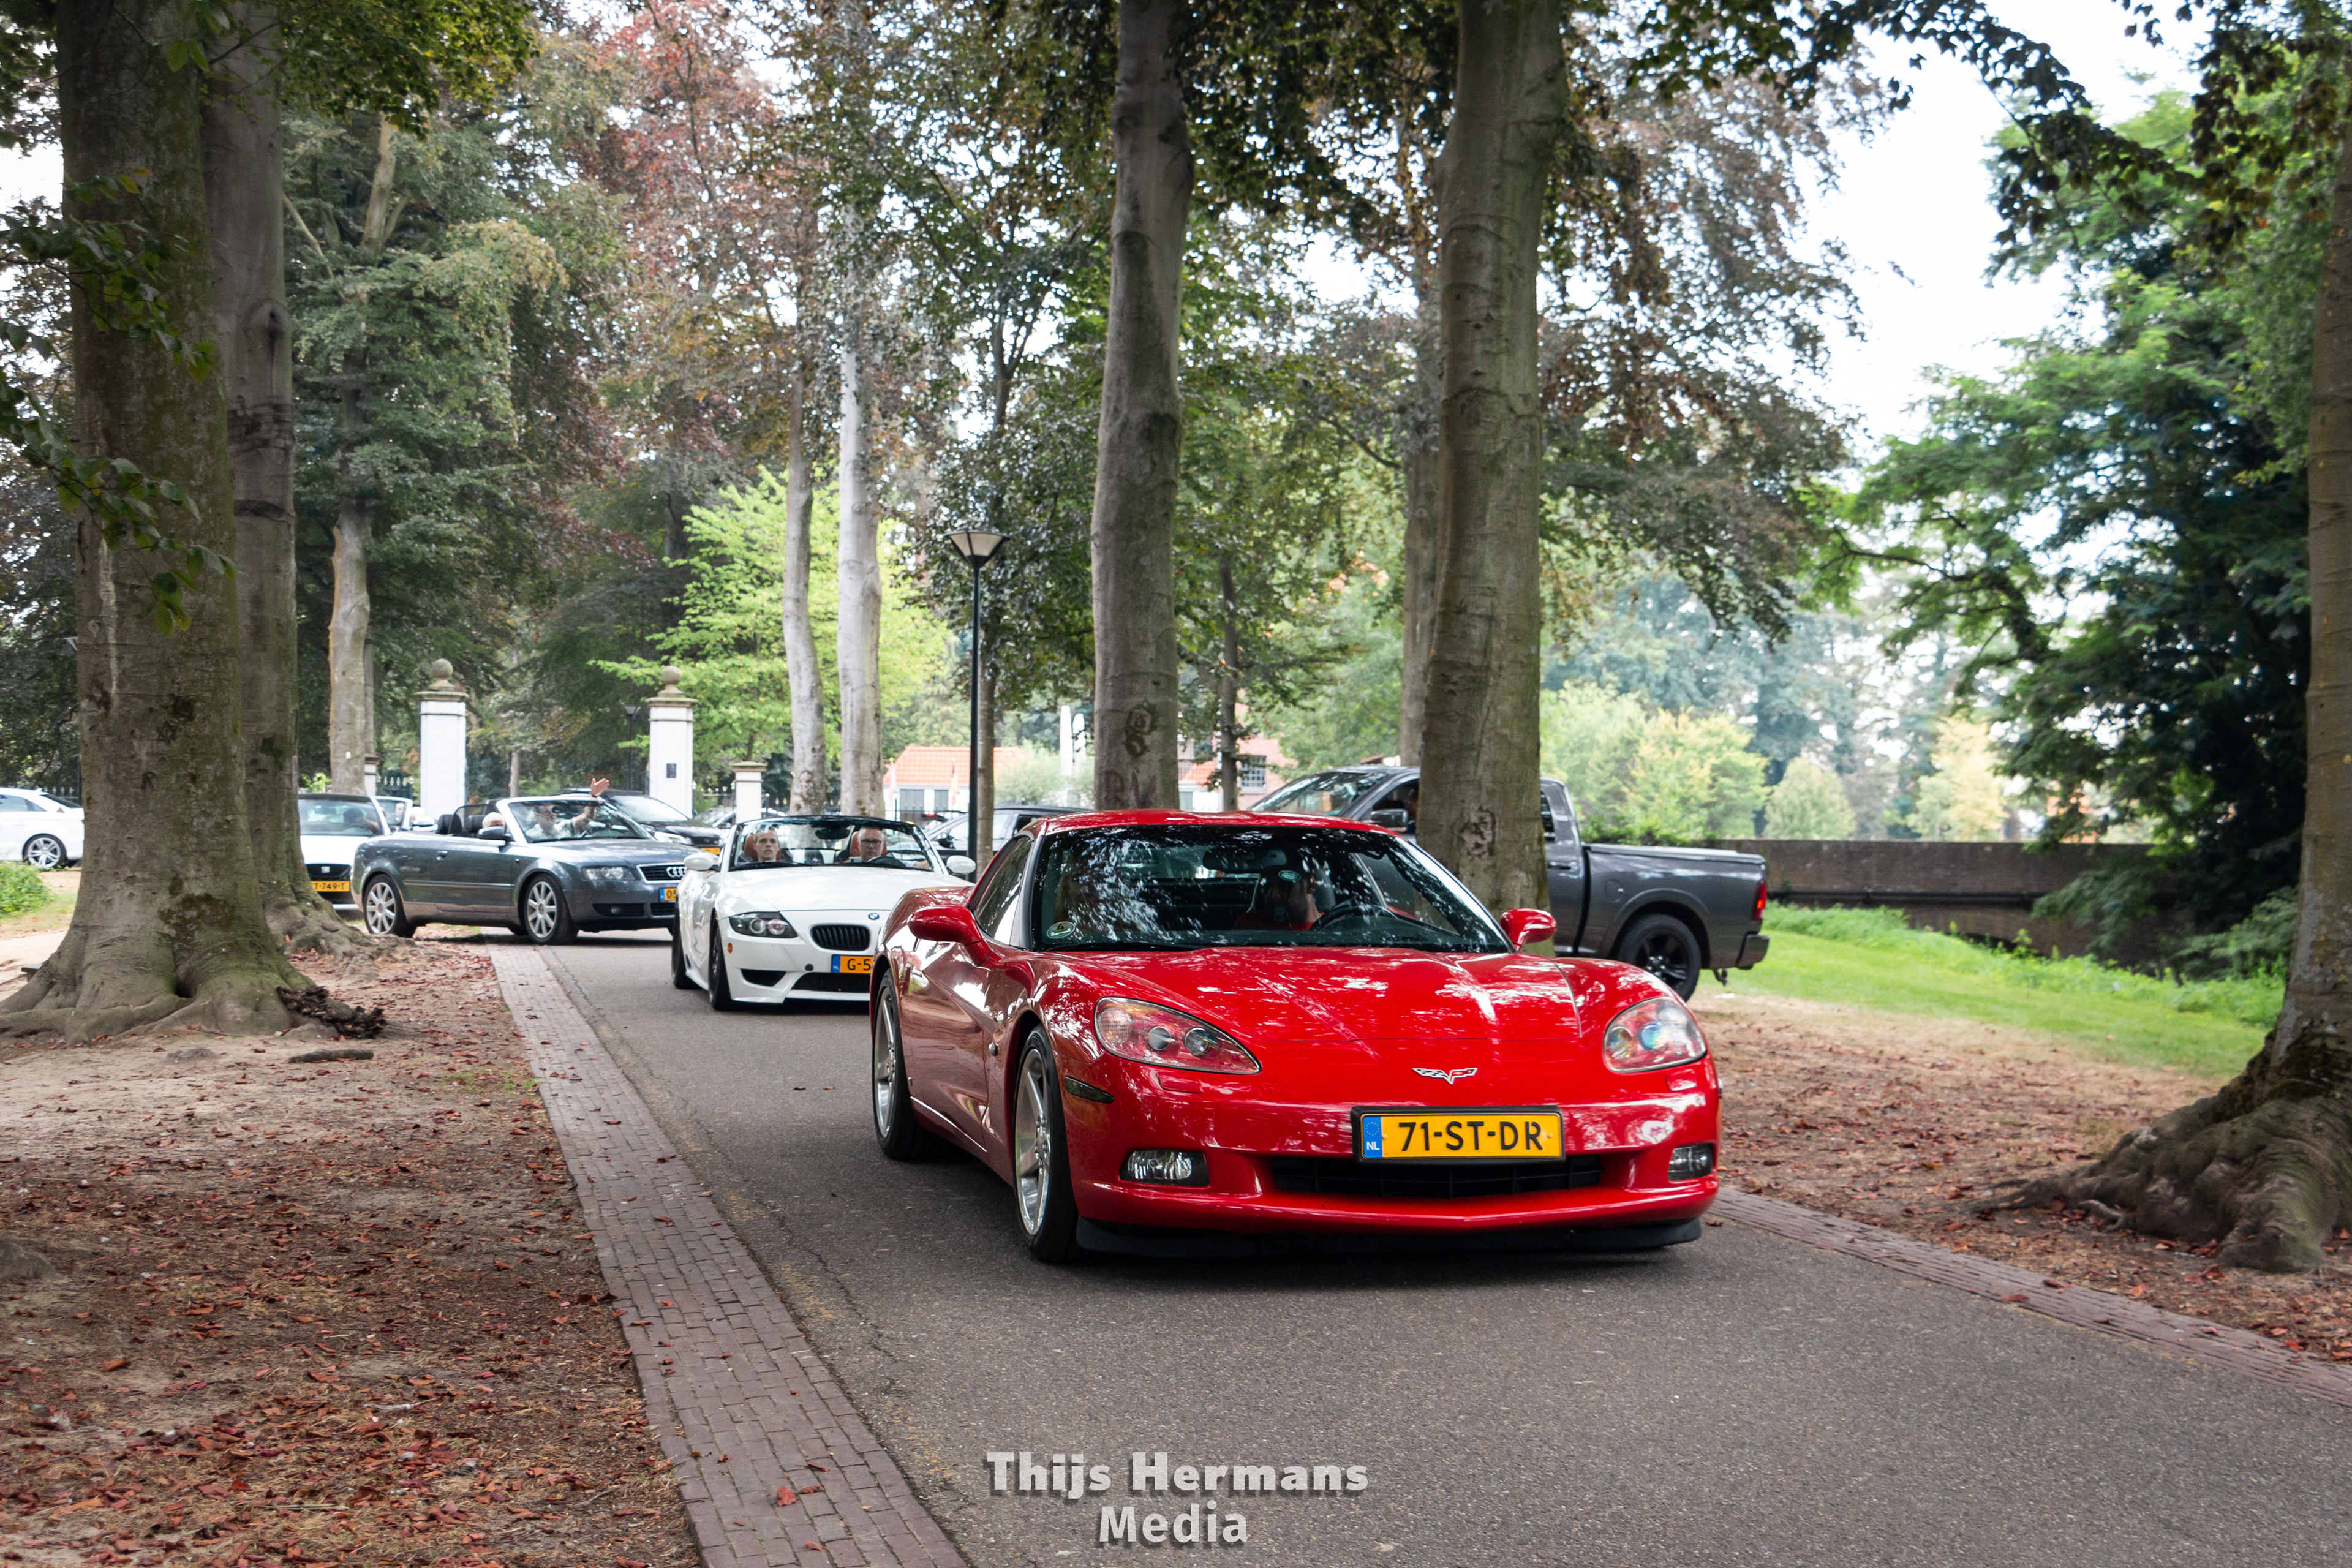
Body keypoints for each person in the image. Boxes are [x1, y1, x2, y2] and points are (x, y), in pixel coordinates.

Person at [1233, 864, 1323, 932]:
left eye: (1284, 885)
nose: (1273, 895)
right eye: (1267, 886)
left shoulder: (1329, 926)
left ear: (1310, 884)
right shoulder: (1249, 924)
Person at [840, 825, 905, 867]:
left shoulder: (895, 867)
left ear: (883, 845)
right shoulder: (846, 867)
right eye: (866, 841)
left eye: (876, 842)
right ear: (858, 844)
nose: (871, 846)